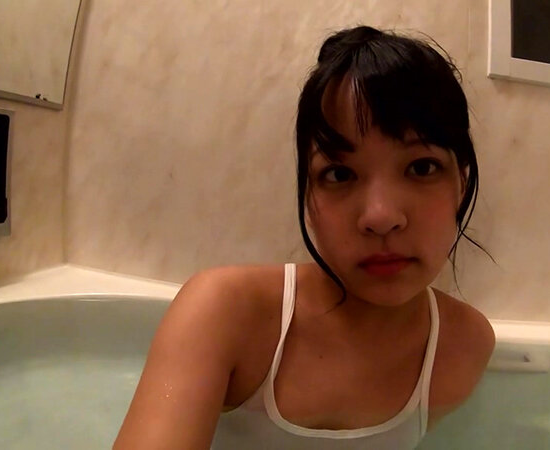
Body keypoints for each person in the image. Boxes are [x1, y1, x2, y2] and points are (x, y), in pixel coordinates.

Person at [114, 25, 495, 450]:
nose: (380, 217)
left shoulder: (464, 345)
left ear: (461, 184)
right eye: (340, 174)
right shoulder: (224, 311)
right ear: (309, 197)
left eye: (422, 167)